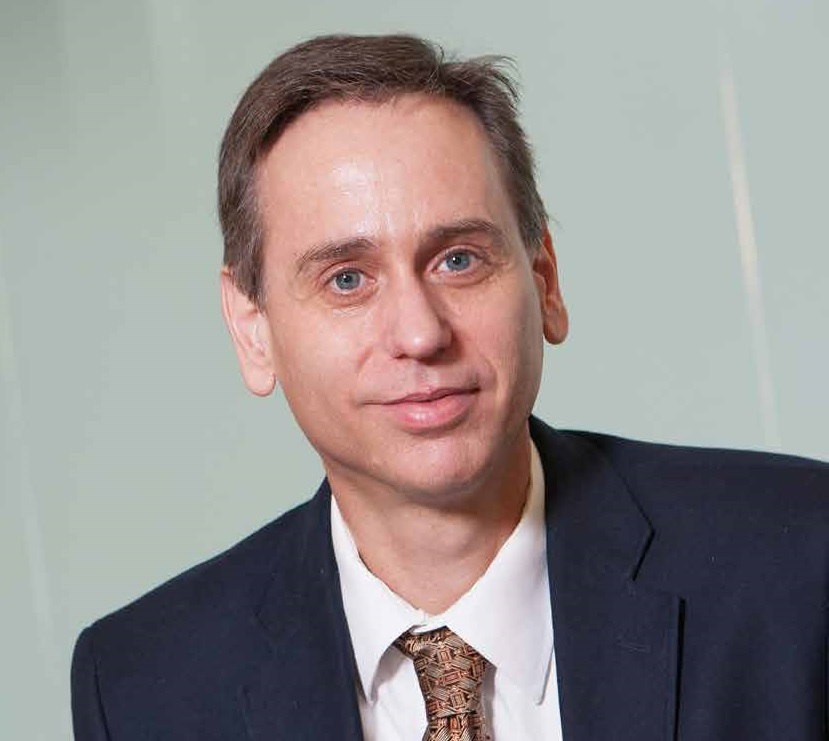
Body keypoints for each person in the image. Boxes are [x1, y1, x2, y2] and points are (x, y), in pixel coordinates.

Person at [71, 34, 829, 741]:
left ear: (545, 280)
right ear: (252, 329)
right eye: (346, 279)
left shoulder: (801, 558)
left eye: (458, 260)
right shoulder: (143, 688)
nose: (419, 333)